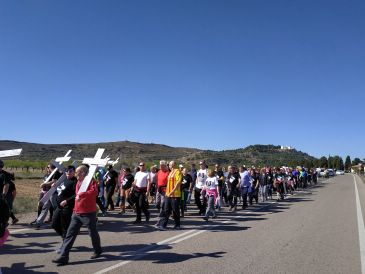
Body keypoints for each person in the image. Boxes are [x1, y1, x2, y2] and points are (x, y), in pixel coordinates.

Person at [52, 164, 102, 266]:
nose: (76, 174)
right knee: (70, 234)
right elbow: (75, 195)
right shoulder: (78, 181)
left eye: (77, 172)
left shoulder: (91, 181)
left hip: (88, 213)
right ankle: (63, 257)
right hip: (76, 212)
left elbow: (94, 192)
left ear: (83, 173)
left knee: (92, 233)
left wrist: (82, 194)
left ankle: (97, 250)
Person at [51, 165, 77, 242]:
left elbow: (76, 194)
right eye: (67, 170)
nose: (68, 172)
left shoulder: (75, 181)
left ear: (74, 172)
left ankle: (65, 243)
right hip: (59, 206)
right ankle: (65, 238)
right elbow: (60, 191)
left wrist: (67, 201)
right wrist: (55, 186)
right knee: (54, 224)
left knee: (65, 226)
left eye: (71, 171)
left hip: (68, 207)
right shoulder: (63, 180)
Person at [155, 161, 183, 230]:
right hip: (168, 194)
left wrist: (172, 191)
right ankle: (163, 225)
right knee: (166, 209)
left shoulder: (177, 171)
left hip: (175, 195)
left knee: (175, 210)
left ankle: (177, 225)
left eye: (169, 165)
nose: (168, 166)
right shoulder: (170, 172)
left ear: (172, 165)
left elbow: (178, 182)